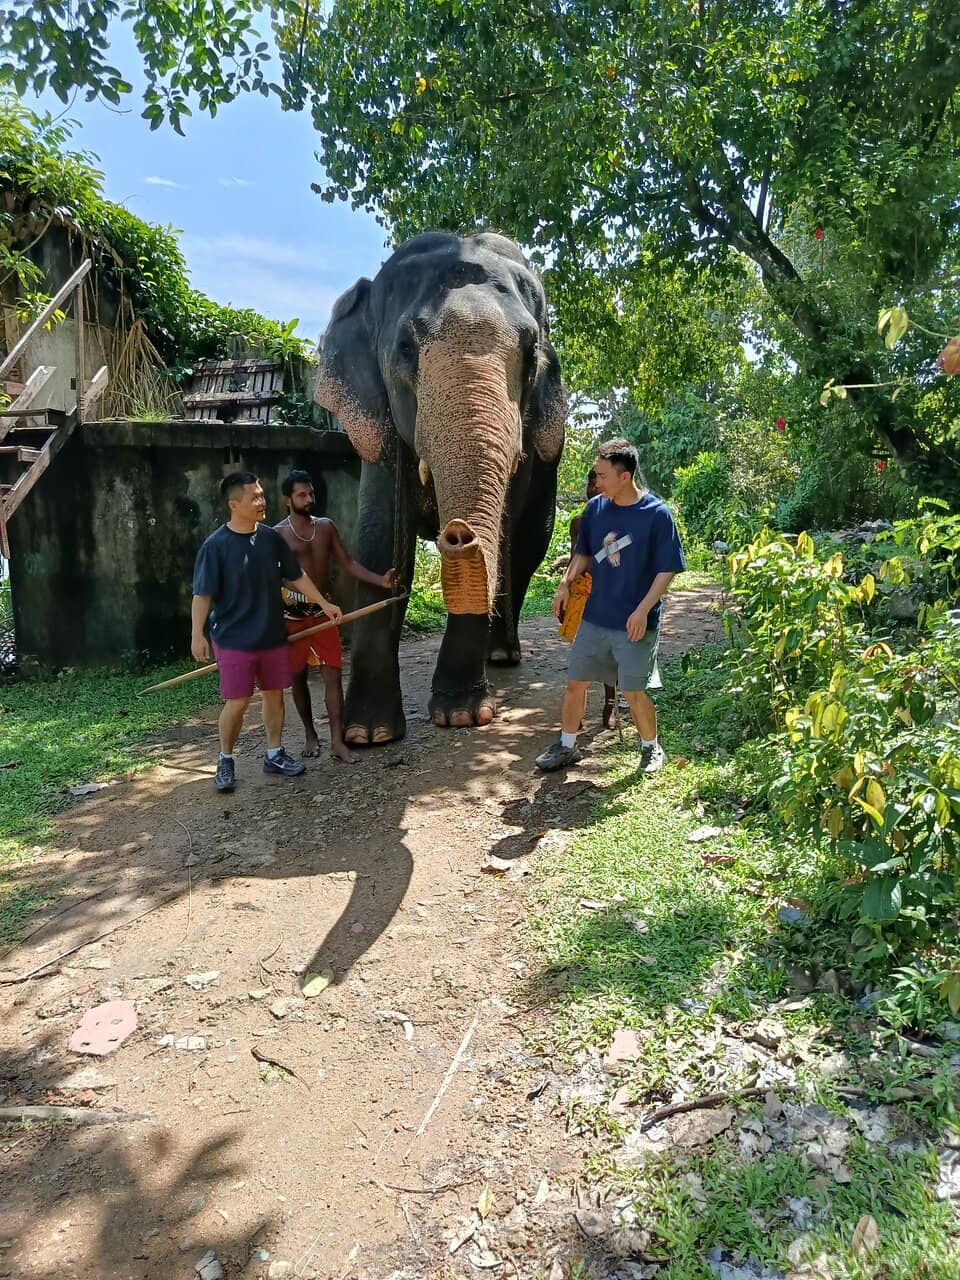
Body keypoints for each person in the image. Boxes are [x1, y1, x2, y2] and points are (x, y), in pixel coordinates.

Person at [536, 438, 685, 774]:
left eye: (602, 475)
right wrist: (565, 582)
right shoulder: (596, 510)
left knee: (633, 691)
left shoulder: (656, 515)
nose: (596, 482)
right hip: (595, 617)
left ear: (624, 476)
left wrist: (644, 609)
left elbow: (668, 568)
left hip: (634, 620)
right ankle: (567, 746)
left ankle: (651, 748)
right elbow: (585, 553)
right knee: (576, 682)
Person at [191, 471, 343, 793]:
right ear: (234, 504)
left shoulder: (271, 538)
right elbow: (202, 595)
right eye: (254, 497)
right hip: (233, 639)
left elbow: (296, 575)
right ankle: (226, 759)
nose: (262, 502)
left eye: (262, 495)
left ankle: (274, 754)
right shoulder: (215, 546)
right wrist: (197, 634)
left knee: (274, 695)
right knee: (238, 701)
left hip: (271, 634)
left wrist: (323, 604)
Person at [275, 469, 396, 763]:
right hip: (291, 617)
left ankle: (337, 743)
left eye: (311, 492)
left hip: (324, 611)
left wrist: (379, 581)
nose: (309, 498)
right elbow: (271, 579)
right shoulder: (277, 534)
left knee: (333, 676)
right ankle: (309, 733)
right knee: (297, 678)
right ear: (287, 500)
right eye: (302, 494)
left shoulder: (325, 527)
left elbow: (347, 563)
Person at [558, 467, 618, 731]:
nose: (594, 490)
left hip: (610, 593)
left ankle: (609, 706)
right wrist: (566, 590)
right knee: (581, 656)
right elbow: (574, 560)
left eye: (600, 484)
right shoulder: (579, 524)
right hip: (582, 593)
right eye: (591, 486)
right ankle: (577, 715)